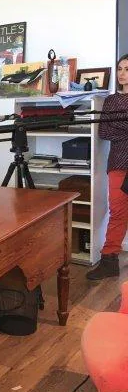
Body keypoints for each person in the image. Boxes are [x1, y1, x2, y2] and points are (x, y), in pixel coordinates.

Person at [87, 53, 128, 280]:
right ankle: (109, 260)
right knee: (118, 212)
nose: (122, 74)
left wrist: (119, 127)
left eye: (127, 69)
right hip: (119, 164)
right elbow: (105, 132)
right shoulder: (112, 101)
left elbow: (115, 129)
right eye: (120, 69)